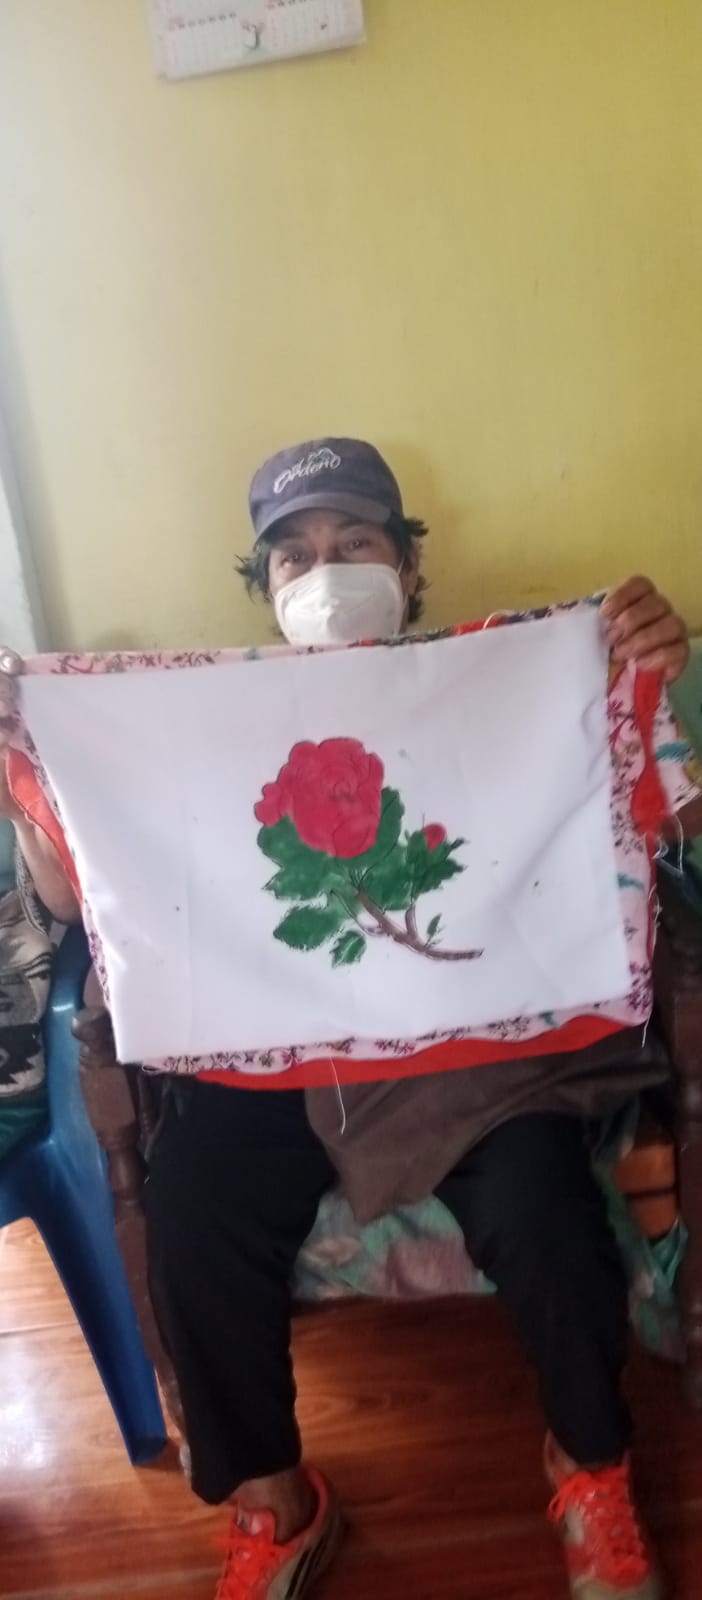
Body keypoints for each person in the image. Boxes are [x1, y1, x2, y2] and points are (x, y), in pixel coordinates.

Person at [0, 438, 699, 1600]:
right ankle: (275, 1500)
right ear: (267, 588)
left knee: (547, 1211)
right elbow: (77, 900)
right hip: (275, 1058)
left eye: (354, 543)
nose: (325, 573)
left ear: (409, 568)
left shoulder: (514, 685)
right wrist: (32, 772)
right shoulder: (198, 720)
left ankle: (590, 1466)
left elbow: (666, 823)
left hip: (472, 1056)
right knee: (194, 1213)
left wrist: (639, 667)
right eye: (295, 556)